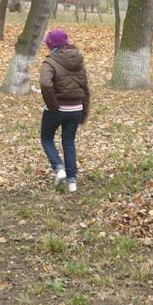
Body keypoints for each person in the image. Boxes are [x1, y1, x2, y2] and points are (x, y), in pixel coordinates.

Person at [39, 28, 90, 193]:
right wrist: (84, 111)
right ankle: (72, 182)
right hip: (76, 108)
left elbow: (45, 83)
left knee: (46, 138)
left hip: (57, 109)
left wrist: (53, 105)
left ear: (51, 46)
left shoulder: (50, 62)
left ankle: (59, 168)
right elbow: (85, 87)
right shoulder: (79, 60)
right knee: (69, 142)